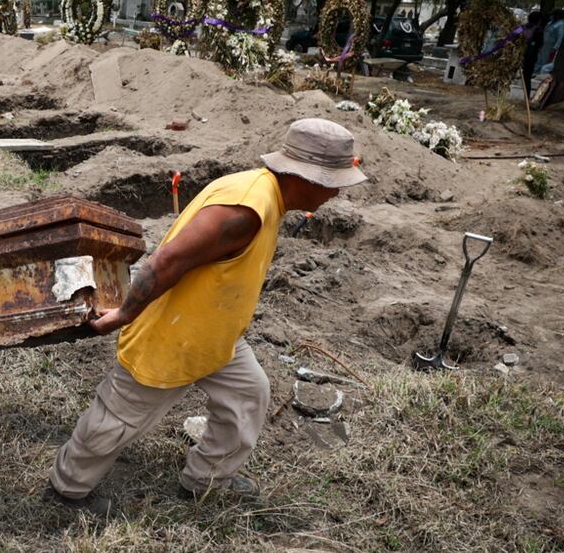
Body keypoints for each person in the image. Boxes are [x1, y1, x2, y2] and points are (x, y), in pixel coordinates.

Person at [47, 118, 367, 513]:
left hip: (215, 335)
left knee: (248, 395)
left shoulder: (265, 195)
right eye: (333, 181)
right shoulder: (244, 210)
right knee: (116, 420)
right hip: (172, 335)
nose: (336, 193)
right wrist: (123, 315)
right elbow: (164, 262)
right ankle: (67, 488)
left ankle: (206, 478)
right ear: (307, 178)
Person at [537, 9, 564, 74]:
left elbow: (561, 37)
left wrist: (555, 47)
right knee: (540, 60)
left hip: (551, 47)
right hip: (544, 45)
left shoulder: (562, 24)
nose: (551, 16)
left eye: (553, 14)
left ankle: (542, 76)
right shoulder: (551, 22)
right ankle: (537, 73)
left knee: (547, 63)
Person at [522, 11, 544, 93]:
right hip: (530, 57)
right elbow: (540, 44)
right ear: (539, 20)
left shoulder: (522, 27)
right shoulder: (538, 31)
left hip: (521, 55)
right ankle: (526, 96)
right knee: (527, 77)